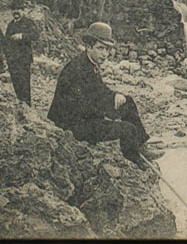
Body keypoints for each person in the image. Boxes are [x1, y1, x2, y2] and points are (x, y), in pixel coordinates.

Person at [47, 22, 162, 168]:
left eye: (107, 49)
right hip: (71, 125)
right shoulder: (77, 69)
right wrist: (108, 112)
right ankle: (136, 161)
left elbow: (99, 90)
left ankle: (141, 146)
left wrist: (115, 96)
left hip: (84, 116)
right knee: (127, 129)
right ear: (89, 47)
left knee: (127, 102)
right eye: (100, 48)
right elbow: (81, 107)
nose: (105, 54)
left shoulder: (88, 63)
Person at [5, 0, 38, 105]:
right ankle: (20, 105)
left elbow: (35, 35)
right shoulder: (10, 25)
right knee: (16, 83)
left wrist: (22, 36)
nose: (16, 11)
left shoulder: (29, 23)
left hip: (24, 60)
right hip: (12, 60)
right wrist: (7, 57)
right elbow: (6, 41)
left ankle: (27, 105)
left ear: (23, 11)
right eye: (14, 9)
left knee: (24, 84)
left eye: (18, 9)